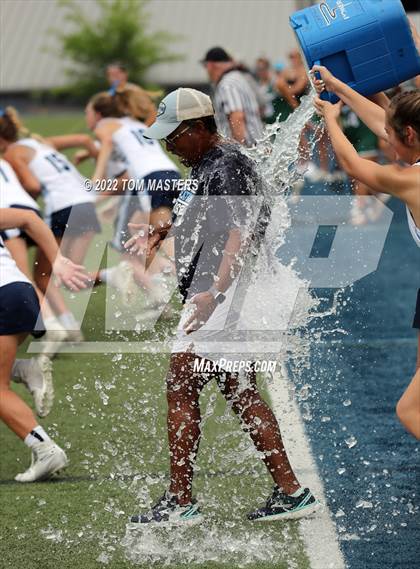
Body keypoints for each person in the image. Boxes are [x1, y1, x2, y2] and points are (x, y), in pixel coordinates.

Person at [124, 87, 318, 525]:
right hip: (223, 295)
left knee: (181, 383)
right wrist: (160, 234)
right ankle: (290, 492)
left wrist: (215, 291)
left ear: (195, 129)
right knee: (240, 391)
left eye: (173, 136)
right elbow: (198, 215)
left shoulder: (226, 163)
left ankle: (180, 501)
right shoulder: (209, 162)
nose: (169, 146)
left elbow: (240, 230)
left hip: (222, 296)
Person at [312, 66, 420, 439]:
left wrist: (331, 119)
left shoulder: (409, 179)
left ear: (408, 134)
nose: (385, 140)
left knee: (411, 410)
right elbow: (384, 121)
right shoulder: (412, 153)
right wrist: (339, 84)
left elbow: (354, 166)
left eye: (391, 137)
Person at [0, 207, 88, 481]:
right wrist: (57, 260)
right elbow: (28, 218)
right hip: (21, 291)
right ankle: (24, 369)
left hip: (5, 297)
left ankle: (46, 450)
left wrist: (59, 260)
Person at [0, 107, 100, 339]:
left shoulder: (11, 156)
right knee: (67, 270)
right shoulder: (40, 143)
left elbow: (33, 185)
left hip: (33, 212)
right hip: (82, 204)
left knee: (30, 275)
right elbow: (84, 138)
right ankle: (112, 276)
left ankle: (53, 327)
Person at [86, 87, 181, 307]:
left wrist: (95, 182)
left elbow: (107, 145)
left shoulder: (105, 125)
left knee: (143, 244)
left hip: (149, 179)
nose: (87, 117)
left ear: (99, 113)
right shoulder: (136, 123)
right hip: (171, 173)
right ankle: (165, 292)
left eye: (87, 112)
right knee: (161, 239)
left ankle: (170, 289)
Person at [0, 157, 68, 355]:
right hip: (28, 206)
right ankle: (65, 321)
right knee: (27, 273)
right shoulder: (5, 159)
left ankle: (52, 324)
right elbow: (32, 185)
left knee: (19, 273)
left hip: (8, 211)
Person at [201, 47, 264, 147]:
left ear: (210, 65)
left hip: (249, 150)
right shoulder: (238, 77)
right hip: (258, 147)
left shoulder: (227, 85)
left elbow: (237, 117)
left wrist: (240, 153)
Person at [255, 58, 297, 124]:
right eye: (258, 69)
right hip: (270, 121)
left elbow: (292, 101)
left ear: (268, 68)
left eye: (262, 68)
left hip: (284, 118)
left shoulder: (278, 82)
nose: (261, 72)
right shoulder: (259, 86)